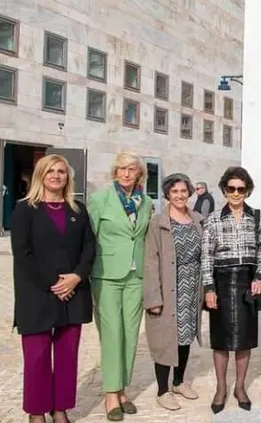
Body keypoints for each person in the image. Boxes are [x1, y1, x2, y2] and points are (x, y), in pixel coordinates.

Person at [11, 155, 95, 423]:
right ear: (40, 175)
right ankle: (36, 413)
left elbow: (89, 247)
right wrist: (55, 283)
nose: (56, 175)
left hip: (74, 294)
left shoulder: (78, 210)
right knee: (36, 358)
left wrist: (76, 277)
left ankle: (60, 409)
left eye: (61, 171)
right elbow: (23, 254)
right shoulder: (25, 209)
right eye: (51, 171)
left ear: (67, 177)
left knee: (67, 357)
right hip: (37, 294)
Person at [88, 152, 152, 421]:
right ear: (115, 172)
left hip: (135, 276)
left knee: (130, 334)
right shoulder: (99, 200)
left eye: (132, 169)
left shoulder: (146, 202)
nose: (127, 174)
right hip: (107, 276)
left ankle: (122, 389)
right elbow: (88, 239)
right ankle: (110, 394)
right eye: (122, 169)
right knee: (112, 334)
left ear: (140, 174)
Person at [202, 166, 261, 414]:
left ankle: (240, 387)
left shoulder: (258, 218)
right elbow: (206, 257)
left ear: (247, 190)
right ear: (224, 189)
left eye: (241, 189)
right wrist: (209, 288)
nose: (236, 193)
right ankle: (221, 388)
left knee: (244, 340)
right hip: (221, 281)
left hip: (248, 282)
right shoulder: (212, 220)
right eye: (231, 188)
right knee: (220, 341)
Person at [143, 173, 204, 411]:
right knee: (164, 338)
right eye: (174, 191)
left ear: (189, 193)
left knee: (185, 335)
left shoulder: (198, 219)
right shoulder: (158, 222)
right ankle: (162, 389)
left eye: (183, 191)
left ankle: (178, 381)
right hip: (168, 287)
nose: (179, 195)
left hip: (191, 287)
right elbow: (150, 261)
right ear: (167, 194)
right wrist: (153, 297)